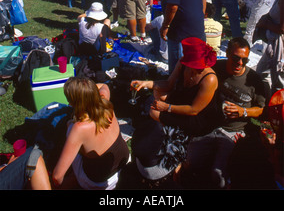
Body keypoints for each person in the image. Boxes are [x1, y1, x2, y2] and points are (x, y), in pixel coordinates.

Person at [183, 37, 266, 189]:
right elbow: (191, 67)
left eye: (244, 60)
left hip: (234, 131)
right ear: (227, 53)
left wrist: (243, 111)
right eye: (235, 58)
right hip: (211, 124)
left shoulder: (253, 80)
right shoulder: (216, 68)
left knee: (219, 176)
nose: (240, 63)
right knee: (190, 163)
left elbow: (261, 109)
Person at [130, 37, 218, 181]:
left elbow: (194, 110)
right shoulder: (183, 64)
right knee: (158, 93)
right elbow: (169, 84)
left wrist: (167, 107)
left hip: (197, 118)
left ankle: (174, 133)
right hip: (182, 103)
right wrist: (146, 83)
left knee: (154, 111)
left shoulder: (209, 79)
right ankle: (169, 129)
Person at [52, 77, 129, 190]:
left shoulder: (78, 129)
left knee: (69, 127)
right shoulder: (105, 101)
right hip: (123, 163)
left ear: (73, 103)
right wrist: (87, 87)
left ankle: (75, 178)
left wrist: (56, 184)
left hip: (100, 182)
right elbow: (104, 86)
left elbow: (57, 176)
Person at [255, 0, 284, 95]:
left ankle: (276, 109)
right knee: (261, 73)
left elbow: (282, 28)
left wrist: (266, 23)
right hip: (273, 45)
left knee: (278, 82)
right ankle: (266, 101)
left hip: (279, 45)